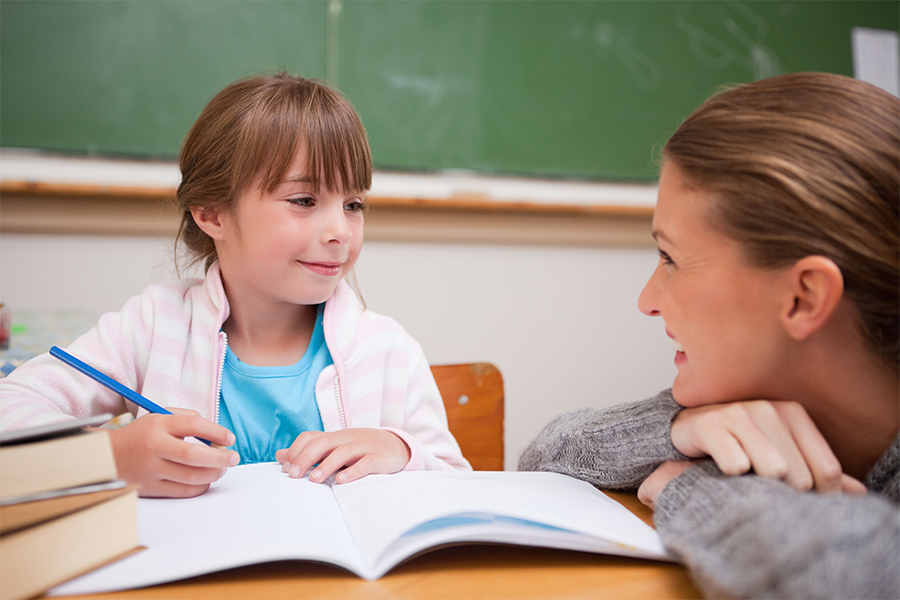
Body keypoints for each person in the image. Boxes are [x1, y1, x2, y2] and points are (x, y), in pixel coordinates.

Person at [519, 72, 899, 599]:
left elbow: (846, 573)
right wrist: (676, 430)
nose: (646, 300)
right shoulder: (757, 399)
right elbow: (548, 456)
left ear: (804, 298)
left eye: (672, 258)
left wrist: (689, 486)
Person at [0, 73, 470, 498]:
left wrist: (399, 451)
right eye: (304, 199)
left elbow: (456, 480)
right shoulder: (152, 326)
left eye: (353, 204)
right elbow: (12, 407)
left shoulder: (387, 350)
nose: (341, 231)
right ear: (212, 213)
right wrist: (108, 456)